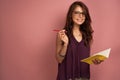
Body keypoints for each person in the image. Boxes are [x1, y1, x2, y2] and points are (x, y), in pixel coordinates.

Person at [55, 1, 103, 80]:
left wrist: (94, 60)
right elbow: (59, 59)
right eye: (77, 13)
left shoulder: (88, 35)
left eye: (83, 13)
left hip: (83, 77)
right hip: (66, 77)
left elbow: (82, 56)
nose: (80, 16)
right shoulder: (62, 34)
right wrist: (65, 44)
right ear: (71, 14)